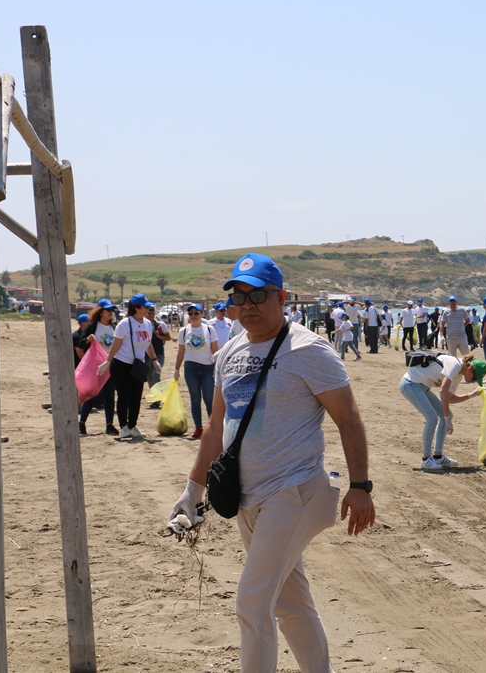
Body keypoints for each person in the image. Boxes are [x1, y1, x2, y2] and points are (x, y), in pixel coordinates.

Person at [169, 252, 375, 671]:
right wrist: (192, 492)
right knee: (289, 603)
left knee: (251, 602)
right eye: (238, 297)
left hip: (293, 490)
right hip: (246, 497)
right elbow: (216, 427)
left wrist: (360, 486)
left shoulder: (309, 349)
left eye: (258, 295)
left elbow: (348, 417)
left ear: (281, 298)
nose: (248, 305)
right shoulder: (229, 352)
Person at [400, 354, 486, 471]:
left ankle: (438, 456)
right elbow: (443, 390)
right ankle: (426, 459)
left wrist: (471, 395)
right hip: (410, 384)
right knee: (432, 418)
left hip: (422, 387)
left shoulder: (458, 377)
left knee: (447, 415)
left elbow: (450, 399)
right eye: (475, 378)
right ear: (470, 369)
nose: (474, 382)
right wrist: (446, 418)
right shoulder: (455, 365)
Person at [97, 294, 162, 439]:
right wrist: (108, 361)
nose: (148, 309)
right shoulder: (124, 324)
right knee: (124, 396)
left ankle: (132, 426)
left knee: (136, 397)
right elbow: (116, 344)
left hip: (137, 366)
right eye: (145, 307)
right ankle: (123, 427)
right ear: (137, 308)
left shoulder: (147, 324)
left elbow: (148, 344)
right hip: (121, 364)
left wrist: (154, 360)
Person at [174, 303, 220, 438]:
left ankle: (214, 427)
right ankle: (198, 427)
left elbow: (215, 350)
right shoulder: (184, 331)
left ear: (202, 314)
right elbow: (181, 352)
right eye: (190, 313)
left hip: (207, 367)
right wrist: (176, 369)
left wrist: (217, 368)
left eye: (196, 313)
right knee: (195, 398)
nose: (193, 316)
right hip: (191, 368)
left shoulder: (210, 330)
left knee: (209, 398)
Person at [78, 300, 119, 436]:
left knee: (109, 396)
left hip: (110, 365)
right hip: (96, 367)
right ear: (101, 312)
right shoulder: (93, 326)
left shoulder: (115, 326)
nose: (111, 313)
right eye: (108, 311)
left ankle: (109, 425)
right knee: (92, 395)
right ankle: (82, 424)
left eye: (112, 311)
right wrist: (88, 340)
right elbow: (81, 343)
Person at [146, 304, 172, 408]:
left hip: (159, 354)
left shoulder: (161, 325)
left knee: (155, 376)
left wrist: (158, 335)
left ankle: (157, 400)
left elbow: (168, 337)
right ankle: (156, 397)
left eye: (152, 312)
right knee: (149, 378)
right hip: (147, 355)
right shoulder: (143, 325)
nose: (151, 314)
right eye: (149, 312)